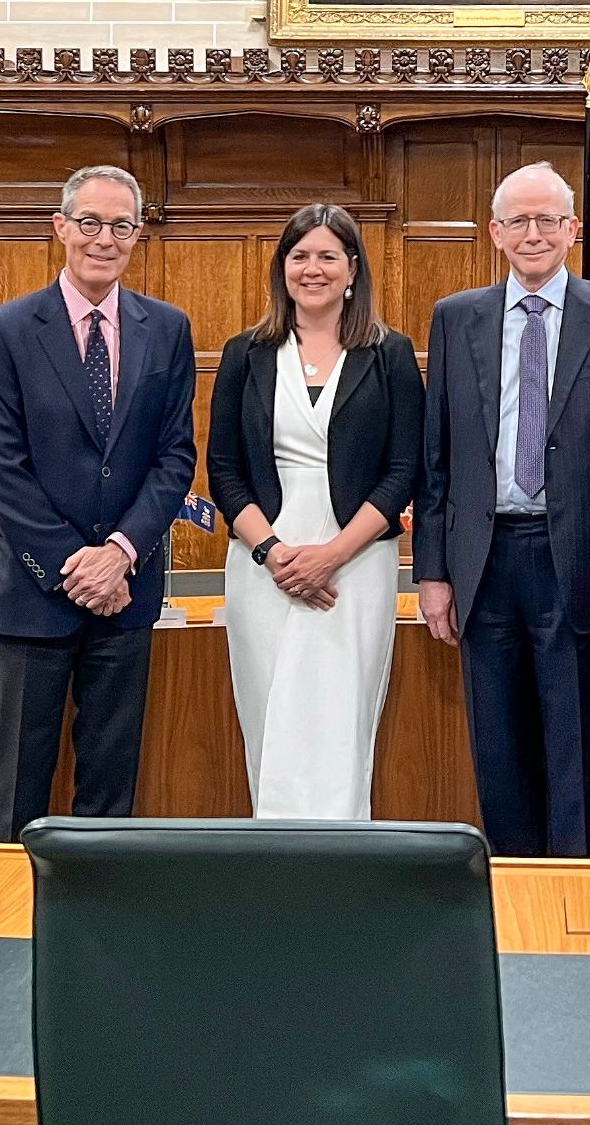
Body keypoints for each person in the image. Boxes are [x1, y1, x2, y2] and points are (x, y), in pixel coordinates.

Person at [413, 163, 590, 857]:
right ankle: (514, 883)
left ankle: (583, 890)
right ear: (495, 233)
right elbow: (436, 455)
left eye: (548, 219)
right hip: (483, 559)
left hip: (581, 560)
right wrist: (431, 572)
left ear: (572, 229)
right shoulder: (456, 317)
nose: (534, 234)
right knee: (498, 743)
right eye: (518, 221)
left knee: (579, 741)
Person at [0, 165, 196, 843]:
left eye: (121, 226)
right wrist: (77, 565)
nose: (105, 239)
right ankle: (8, 908)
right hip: (34, 594)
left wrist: (120, 554)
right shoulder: (6, 328)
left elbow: (175, 457)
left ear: (138, 234)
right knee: (19, 790)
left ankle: (96, 908)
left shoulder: (167, 328)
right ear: (61, 227)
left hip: (127, 594)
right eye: (91, 222)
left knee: (109, 792)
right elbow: (1, 467)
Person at [206, 205, 424, 818]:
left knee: (341, 724)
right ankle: (274, 861)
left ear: (352, 269)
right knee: (270, 720)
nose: (313, 269)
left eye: (328, 256)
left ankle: (342, 858)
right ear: (282, 268)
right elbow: (223, 469)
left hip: (355, 563)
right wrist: (273, 553)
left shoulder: (390, 354)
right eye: (299, 256)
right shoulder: (245, 353)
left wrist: (331, 556)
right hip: (263, 564)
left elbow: (404, 470)